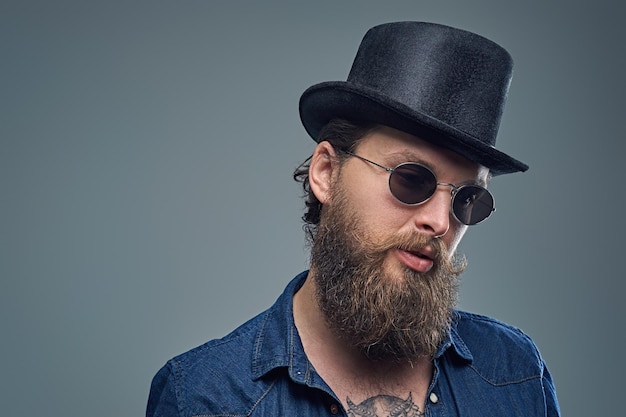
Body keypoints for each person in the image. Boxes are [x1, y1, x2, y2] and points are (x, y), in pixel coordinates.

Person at [146, 21, 560, 417]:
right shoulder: (205, 397)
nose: (439, 221)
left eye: (467, 199)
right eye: (412, 179)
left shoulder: (516, 374)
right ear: (326, 172)